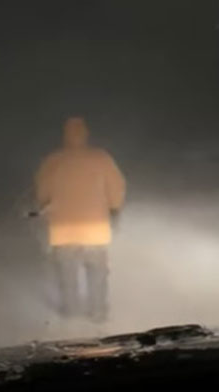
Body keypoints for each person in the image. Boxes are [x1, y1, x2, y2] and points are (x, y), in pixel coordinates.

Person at [35, 117, 126, 322]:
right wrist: (114, 208)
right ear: (85, 134)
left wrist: (46, 207)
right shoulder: (100, 158)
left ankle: (71, 314)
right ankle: (98, 312)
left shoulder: (53, 161)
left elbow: (43, 193)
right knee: (97, 275)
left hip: (62, 231)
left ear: (65, 136)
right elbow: (116, 186)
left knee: (67, 277)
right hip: (95, 230)